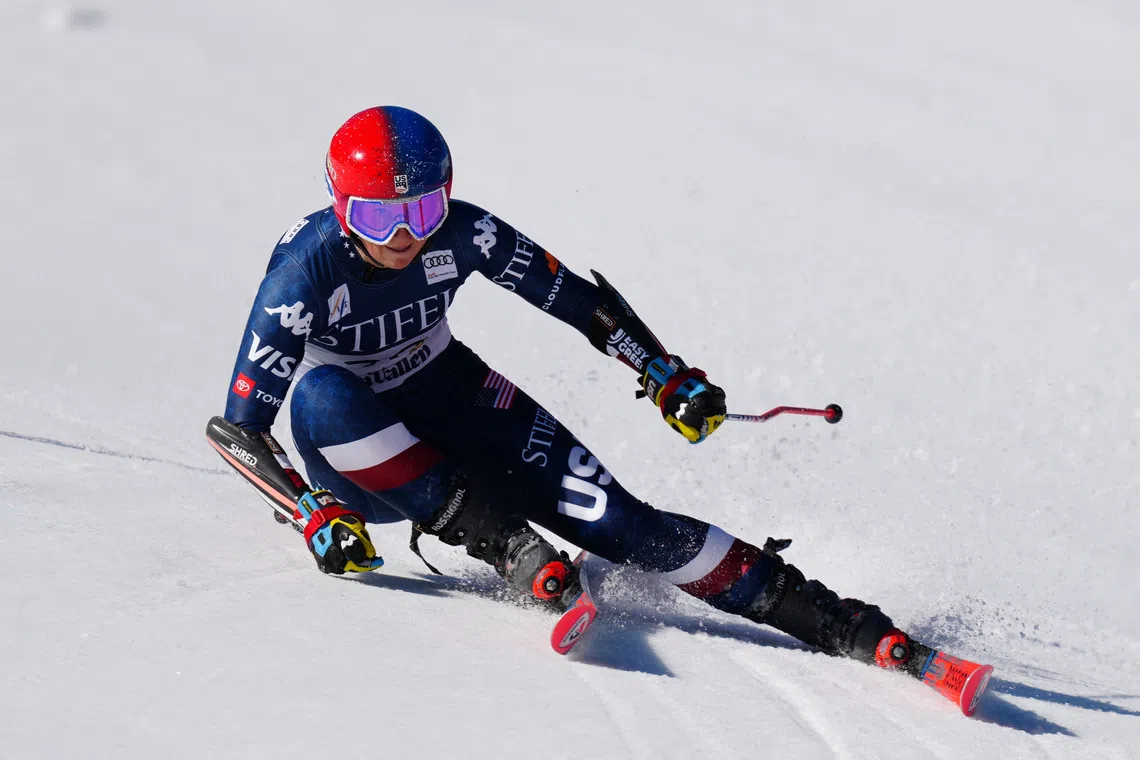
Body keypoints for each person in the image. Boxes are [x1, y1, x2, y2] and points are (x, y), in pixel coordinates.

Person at [207, 105, 911, 668]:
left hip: (450, 394)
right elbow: (238, 428)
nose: (403, 237)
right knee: (321, 394)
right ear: (339, 208)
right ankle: (507, 544)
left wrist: (658, 370)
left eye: (422, 212)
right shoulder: (299, 279)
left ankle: (831, 618)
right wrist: (308, 511)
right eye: (377, 218)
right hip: (361, 465)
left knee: (626, 525)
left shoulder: (466, 231)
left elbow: (571, 298)